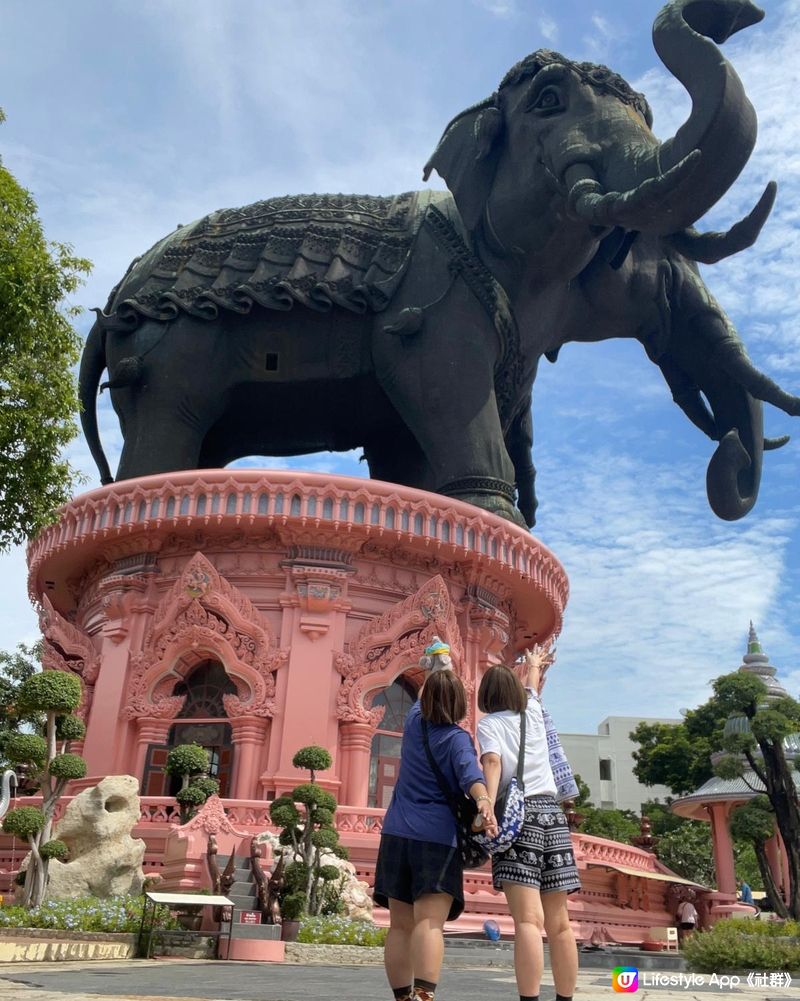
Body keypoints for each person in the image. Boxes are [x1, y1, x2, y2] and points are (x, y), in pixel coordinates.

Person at [374, 663, 498, 1001]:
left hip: (396, 834)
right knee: (429, 923)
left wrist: (436, 666)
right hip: (436, 840)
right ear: (459, 703)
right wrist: (484, 801)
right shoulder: (457, 739)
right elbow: (471, 776)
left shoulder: (414, 723)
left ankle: (402, 997)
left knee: (399, 925)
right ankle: (424, 997)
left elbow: (429, 690)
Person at [476, 647, 580, 1001]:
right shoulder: (533, 711)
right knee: (560, 924)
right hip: (553, 816)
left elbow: (492, 763)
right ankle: (565, 998)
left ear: (486, 696)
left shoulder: (488, 723)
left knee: (528, 922)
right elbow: (533, 689)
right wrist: (533, 665)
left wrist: (487, 803)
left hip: (520, 819)